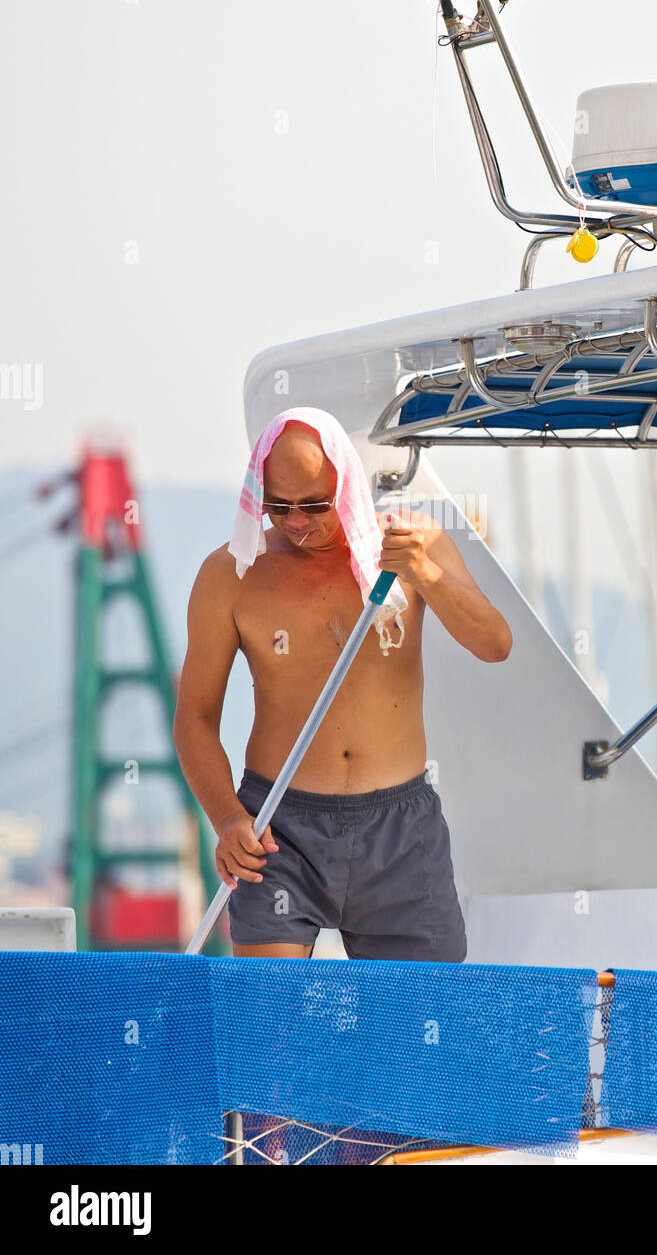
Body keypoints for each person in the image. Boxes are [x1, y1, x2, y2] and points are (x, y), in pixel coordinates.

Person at [173, 406, 512, 962]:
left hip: (400, 832)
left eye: (314, 503)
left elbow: (494, 644)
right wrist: (229, 818)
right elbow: (195, 717)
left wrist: (426, 573)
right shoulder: (231, 573)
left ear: (347, 483)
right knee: (272, 1028)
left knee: (417, 1030)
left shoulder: (410, 544)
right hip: (277, 829)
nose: (297, 521)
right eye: (278, 505)